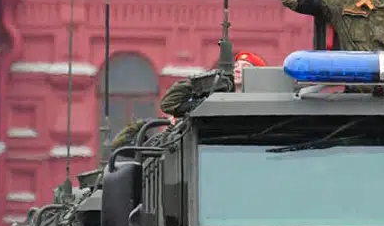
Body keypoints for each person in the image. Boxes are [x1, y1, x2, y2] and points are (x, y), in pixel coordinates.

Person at [107, 51, 268, 151]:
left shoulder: (266, 104)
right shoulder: (214, 101)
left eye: (245, 66)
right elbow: (169, 104)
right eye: (237, 65)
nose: (237, 69)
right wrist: (195, 84)